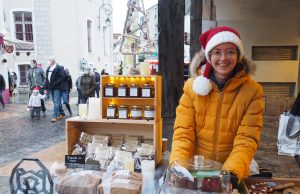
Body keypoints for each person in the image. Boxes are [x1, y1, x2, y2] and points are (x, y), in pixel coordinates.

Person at [169, 26, 263, 187]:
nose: (223, 58)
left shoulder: (252, 91)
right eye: (217, 52)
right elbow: (183, 133)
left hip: (232, 172)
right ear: (209, 55)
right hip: (196, 170)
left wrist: (231, 172)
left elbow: (247, 139)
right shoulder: (193, 87)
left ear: (238, 55)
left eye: (230, 52)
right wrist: (178, 166)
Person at [44, 57, 65, 122]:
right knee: (55, 101)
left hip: (57, 87)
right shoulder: (48, 68)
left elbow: (62, 77)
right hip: (51, 87)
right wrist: (45, 87)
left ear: (53, 61)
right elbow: (46, 78)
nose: (48, 62)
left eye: (49, 60)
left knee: (56, 102)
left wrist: (55, 83)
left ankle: (55, 116)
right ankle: (61, 113)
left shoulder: (58, 68)